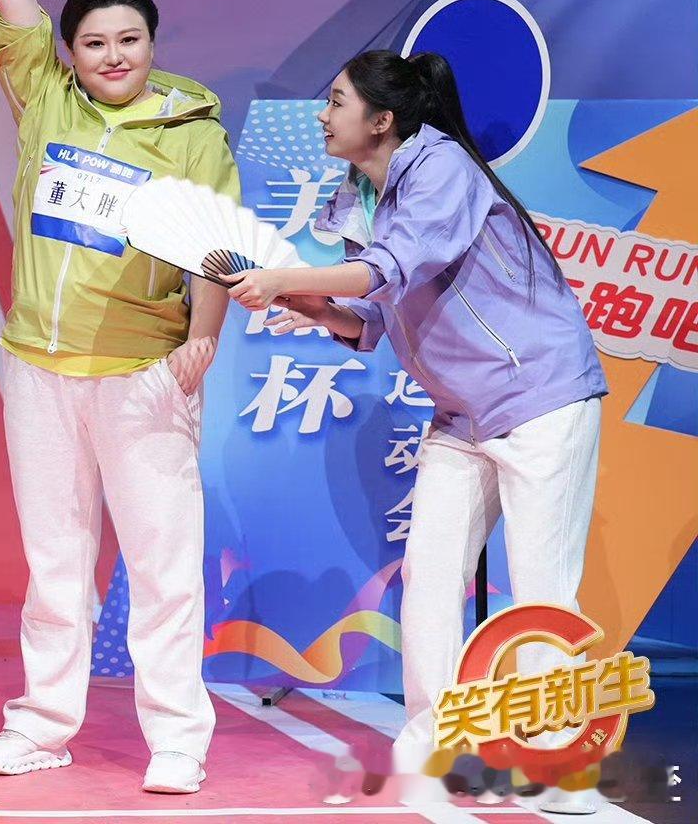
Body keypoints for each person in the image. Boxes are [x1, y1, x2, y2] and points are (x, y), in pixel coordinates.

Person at [223, 50, 608, 815]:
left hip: (540, 395)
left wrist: (286, 278)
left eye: (337, 100)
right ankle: (429, 745)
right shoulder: (360, 193)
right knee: (430, 575)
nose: (323, 114)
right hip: (460, 413)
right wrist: (312, 308)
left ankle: (560, 762)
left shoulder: (441, 169)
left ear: (382, 119)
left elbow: (393, 267)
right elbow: (372, 314)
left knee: (542, 586)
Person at [0, 0, 239, 795]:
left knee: (163, 563)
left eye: (129, 38)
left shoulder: (193, 130)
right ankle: (43, 723)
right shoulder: (46, 98)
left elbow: (215, 247)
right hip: (39, 370)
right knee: (55, 561)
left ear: (152, 42)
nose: (114, 55)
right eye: (94, 42)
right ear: (70, 51)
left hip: (144, 375)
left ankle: (178, 739)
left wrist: (203, 337)